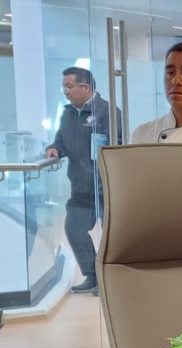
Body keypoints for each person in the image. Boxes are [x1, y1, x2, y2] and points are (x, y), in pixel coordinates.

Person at [45, 67, 121, 295]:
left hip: (107, 187)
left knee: (112, 236)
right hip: (80, 187)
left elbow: (118, 145)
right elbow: (61, 140)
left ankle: (110, 281)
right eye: (64, 87)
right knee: (74, 229)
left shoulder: (107, 111)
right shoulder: (68, 114)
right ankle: (93, 276)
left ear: (85, 87)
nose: (65, 91)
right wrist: (54, 148)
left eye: (69, 86)